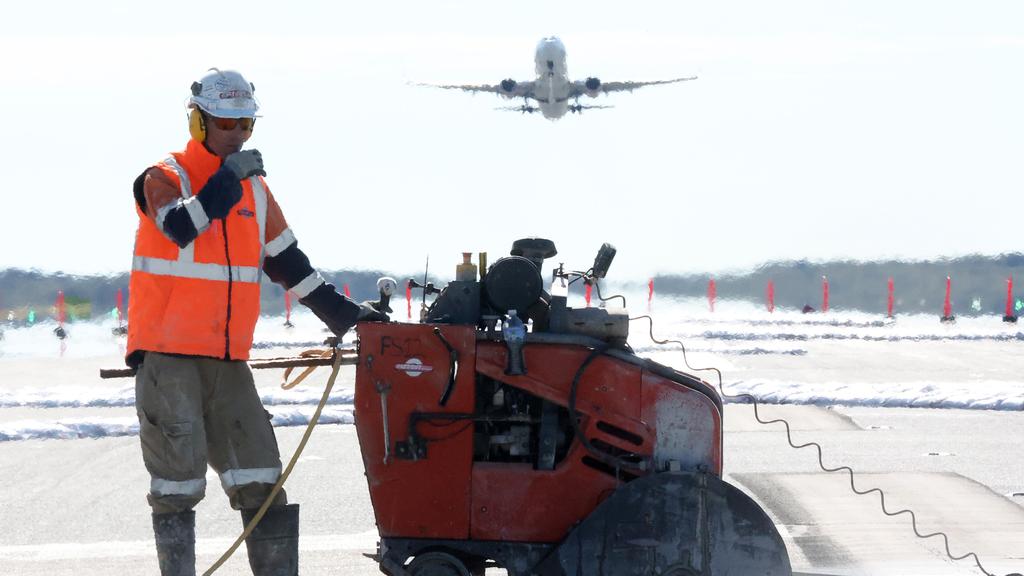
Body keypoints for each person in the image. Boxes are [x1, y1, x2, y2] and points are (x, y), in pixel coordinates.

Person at [126, 68, 387, 576]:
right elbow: (180, 226)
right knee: (177, 487)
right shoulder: (164, 177)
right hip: (168, 356)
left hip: (227, 360)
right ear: (199, 122)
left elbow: (288, 262)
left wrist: (344, 314)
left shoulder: (254, 189)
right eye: (226, 124)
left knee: (261, 475)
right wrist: (226, 182)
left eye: (246, 124)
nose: (238, 134)